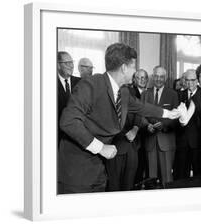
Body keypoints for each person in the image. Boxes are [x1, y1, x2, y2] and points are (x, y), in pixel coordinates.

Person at [58, 43, 181, 194]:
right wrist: (100, 148)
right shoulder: (90, 84)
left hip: (98, 167)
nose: (135, 71)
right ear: (124, 68)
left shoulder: (123, 91)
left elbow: (143, 107)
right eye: (133, 67)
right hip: (76, 171)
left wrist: (169, 113)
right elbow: (68, 122)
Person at [141, 66, 179, 187]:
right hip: (150, 140)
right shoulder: (145, 94)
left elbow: (176, 116)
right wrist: (147, 125)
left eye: (161, 76)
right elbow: (140, 114)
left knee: (167, 179)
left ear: (165, 78)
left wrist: (164, 124)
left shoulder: (172, 94)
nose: (158, 79)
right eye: (156, 76)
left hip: (166, 141)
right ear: (153, 77)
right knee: (150, 179)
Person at [174, 69, 201, 179]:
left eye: (193, 80)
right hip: (182, 141)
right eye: (187, 80)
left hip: (198, 141)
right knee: (181, 174)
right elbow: (175, 117)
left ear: (197, 80)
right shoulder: (178, 95)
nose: (190, 83)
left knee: (199, 175)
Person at [57, 51, 81, 146]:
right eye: (67, 63)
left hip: (77, 137)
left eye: (72, 62)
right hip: (58, 138)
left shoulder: (81, 82)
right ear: (58, 65)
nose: (71, 66)